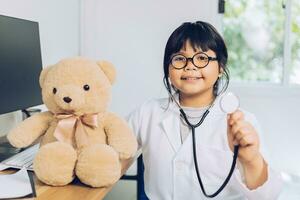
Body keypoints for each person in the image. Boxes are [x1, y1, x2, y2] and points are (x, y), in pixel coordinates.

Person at [127, 21, 283, 199]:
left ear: (220, 68)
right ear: (168, 68)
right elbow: (112, 156)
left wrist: (252, 160)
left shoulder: (243, 122)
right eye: (179, 58)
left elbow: (268, 195)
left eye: (202, 58)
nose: (190, 65)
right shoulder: (147, 113)